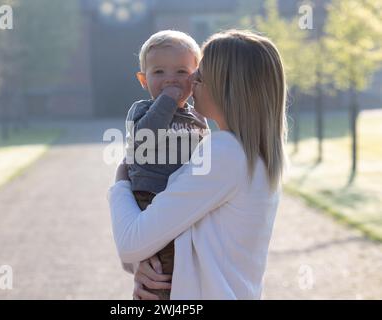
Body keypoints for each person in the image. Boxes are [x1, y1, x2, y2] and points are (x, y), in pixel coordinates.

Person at [109, 29, 287, 299]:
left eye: (200, 75)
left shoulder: (225, 153)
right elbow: (156, 241)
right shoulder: (250, 154)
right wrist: (144, 267)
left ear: (228, 88)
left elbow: (131, 243)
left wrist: (121, 180)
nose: (189, 81)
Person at [124, 30, 209, 299]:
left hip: (184, 202)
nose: (170, 78)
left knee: (188, 267)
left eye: (181, 71)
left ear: (196, 77)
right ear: (143, 79)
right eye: (159, 72)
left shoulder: (199, 117)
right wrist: (168, 100)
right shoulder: (142, 110)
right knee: (162, 272)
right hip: (151, 198)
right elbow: (144, 138)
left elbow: (205, 154)